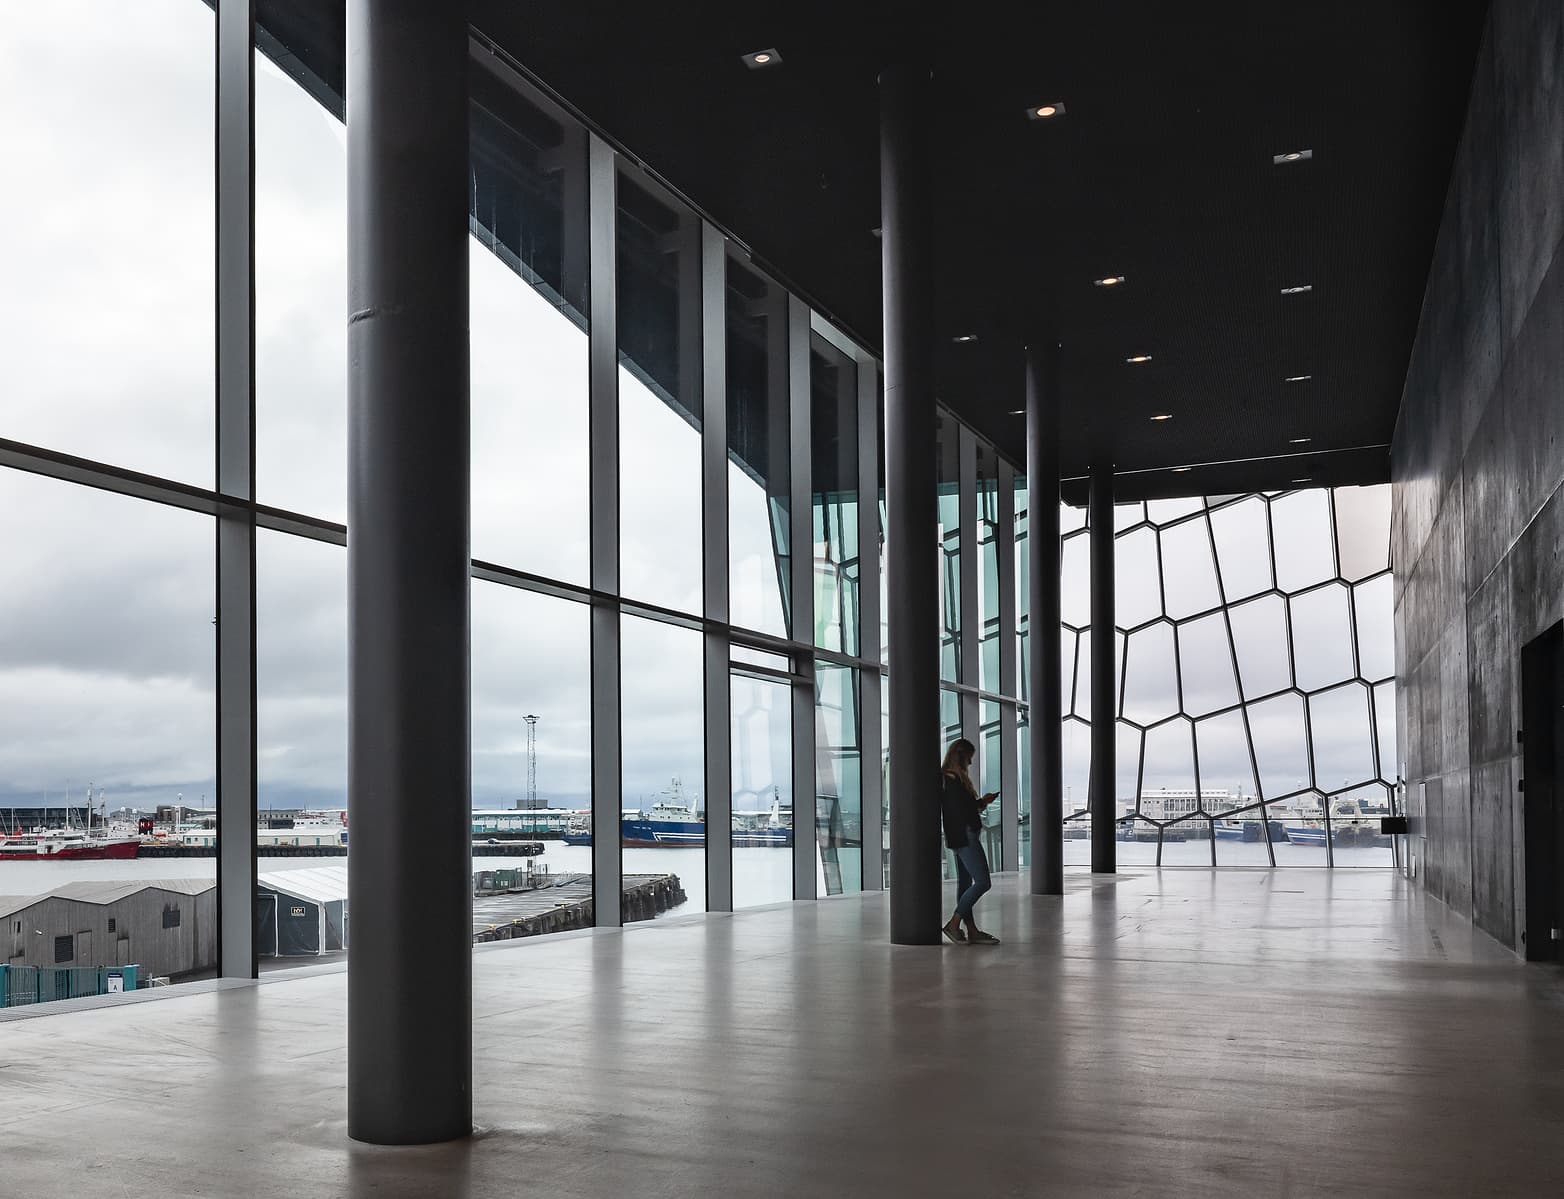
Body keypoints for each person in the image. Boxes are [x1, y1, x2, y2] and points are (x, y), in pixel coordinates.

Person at [938, 738, 999, 945]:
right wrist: (981, 803)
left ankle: (972, 930)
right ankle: (954, 924)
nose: (971, 763)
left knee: (965, 884)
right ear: (961, 756)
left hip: (960, 836)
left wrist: (982, 802)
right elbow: (961, 811)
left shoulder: (950, 779)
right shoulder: (952, 780)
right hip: (965, 836)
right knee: (983, 882)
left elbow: (961, 809)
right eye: (969, 758)